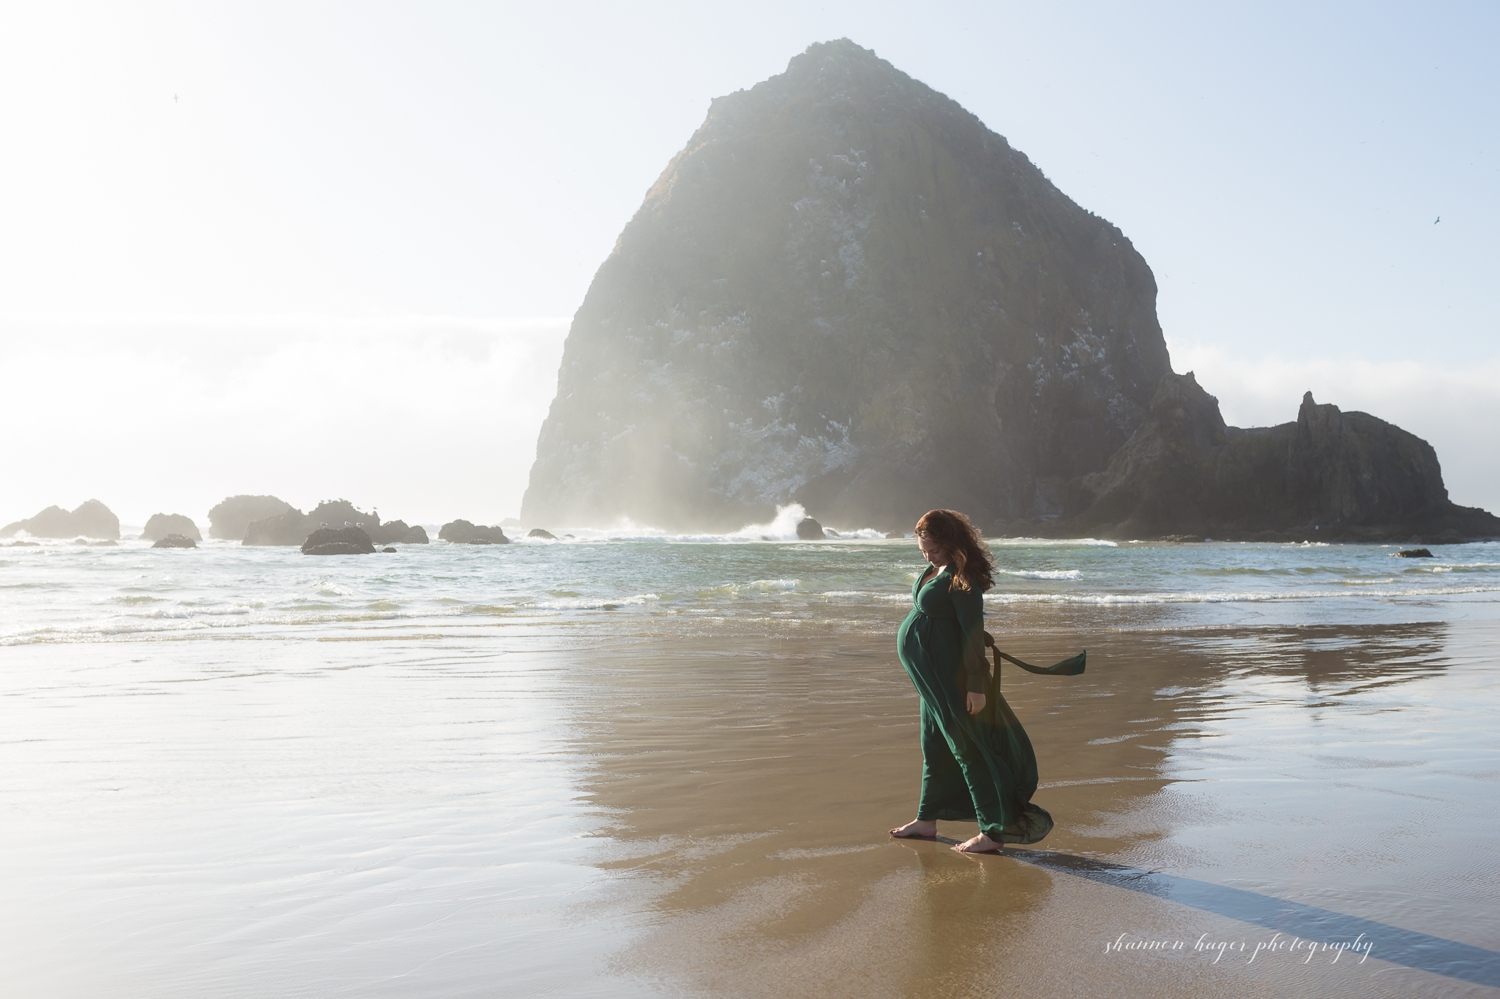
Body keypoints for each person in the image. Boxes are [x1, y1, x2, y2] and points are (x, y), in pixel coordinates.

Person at [888, 509, 1054, 853]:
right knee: (933, 746)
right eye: (922, 550)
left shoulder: (964, 581)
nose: (928, 556)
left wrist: (976, 686)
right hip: (930, 679)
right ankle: (926, 820)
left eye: (933, 550)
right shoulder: (941, 569)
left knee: (967, 750)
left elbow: (973, 635)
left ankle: (992, 833)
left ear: (951, 543)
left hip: (952, 680)